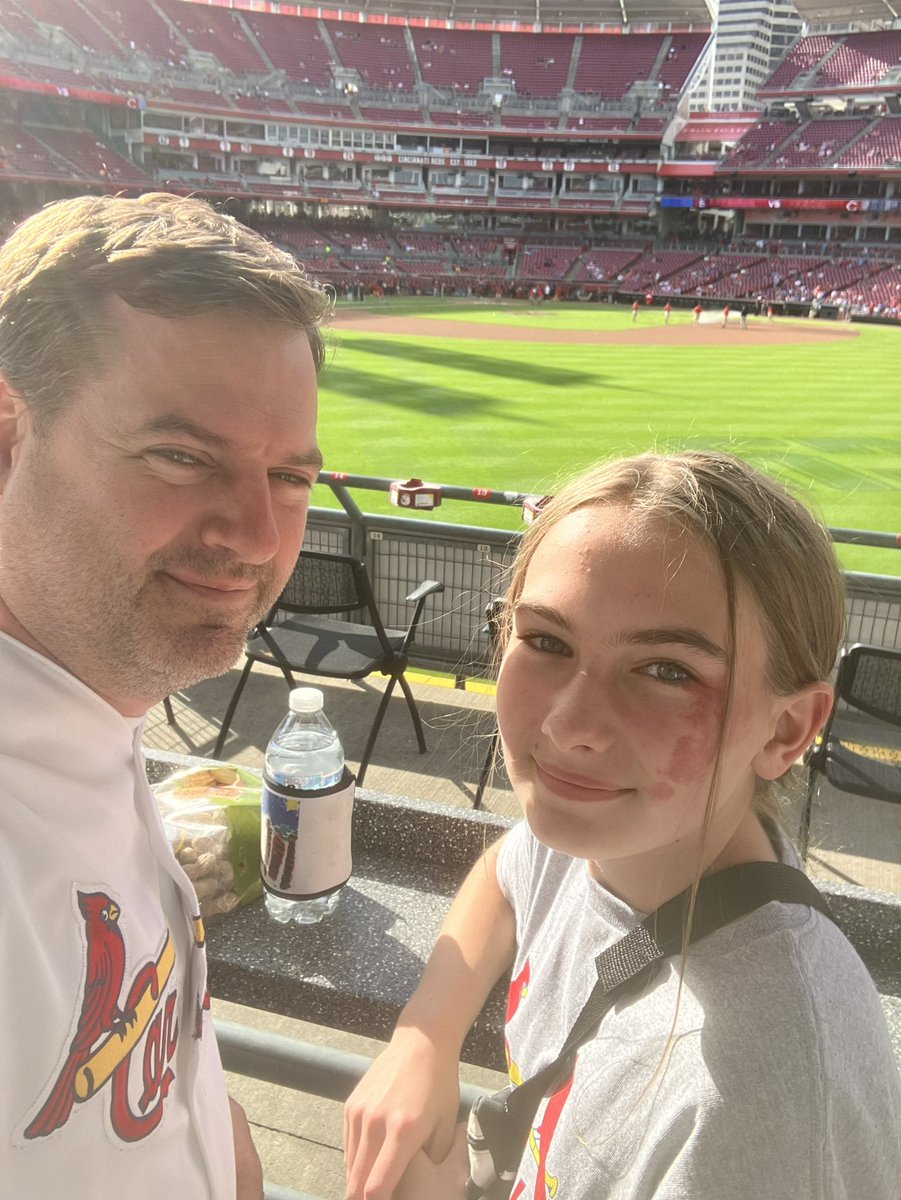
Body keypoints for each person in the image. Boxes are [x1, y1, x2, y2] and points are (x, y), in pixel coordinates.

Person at [344, 450, 901, 1200]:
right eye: (545, 641)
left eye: (667, 671)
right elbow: (508, 875)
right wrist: (422, 1039)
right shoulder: (600, 832)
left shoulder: (767, 1096)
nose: (570, 726)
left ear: (786, 730)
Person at [0, 194, 329, 1197]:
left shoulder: (87, 704)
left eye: (287, 477)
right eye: (181, 457)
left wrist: (211, 1131)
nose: (258, 537)